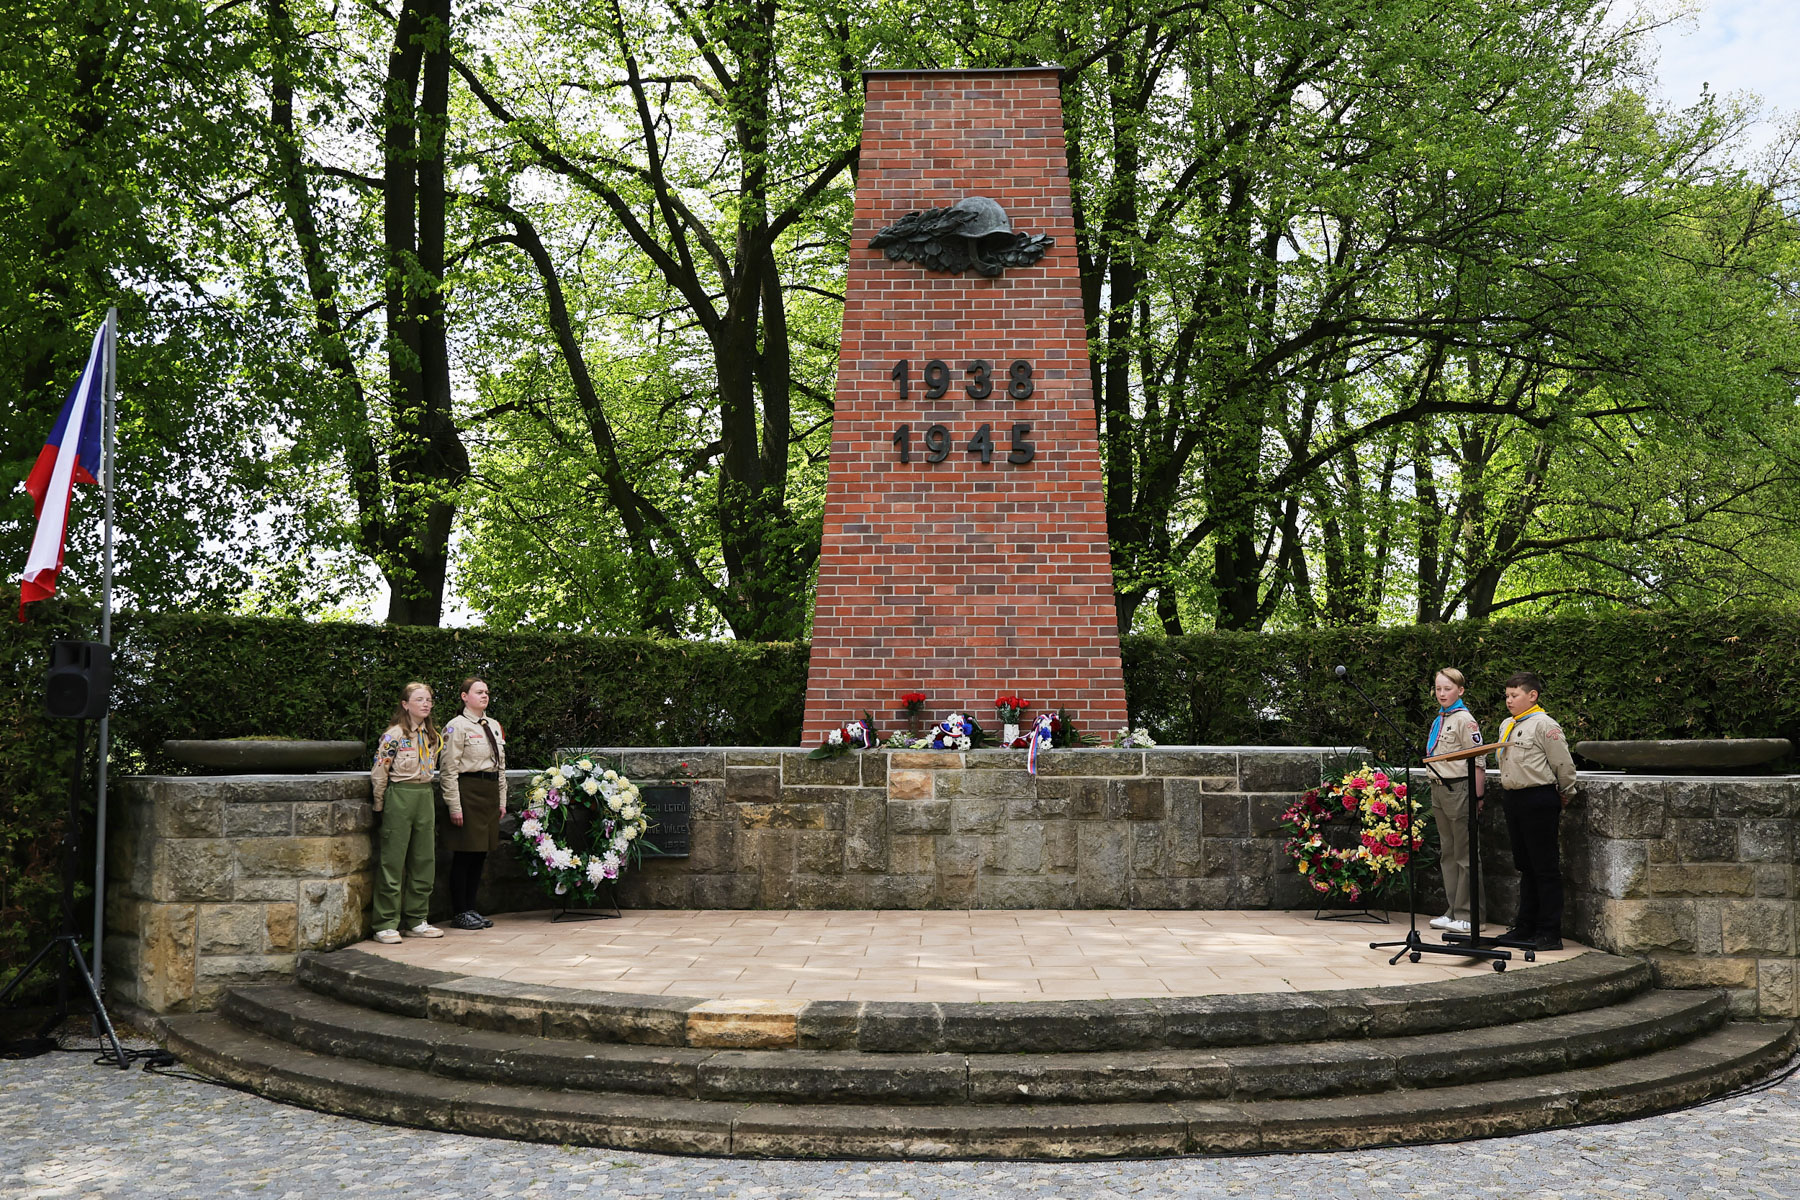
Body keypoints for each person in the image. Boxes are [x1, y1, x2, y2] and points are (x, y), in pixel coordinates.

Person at [1493, 670, 1578, 951]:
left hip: (1538, 797)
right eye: (1507, 695)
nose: (1509, 700)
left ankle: (1549, 932)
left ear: (1532, 695)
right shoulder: (1508, 724)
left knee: (1544, 867)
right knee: (1525, 865)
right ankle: (1525, 926)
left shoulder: (1544, 725)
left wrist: (1566, 792)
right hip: (1514, 798)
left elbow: (1562, 764)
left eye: (1514, 695)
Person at [369, 681, 445, 944]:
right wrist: (380, 803)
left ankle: (417, 919)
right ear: (405, 704)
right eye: (419, 699)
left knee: (424, 859)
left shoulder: (432, 735)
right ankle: (385, 923)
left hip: (424, 794)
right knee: (393, 860)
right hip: (400, 794)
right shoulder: (394, 735)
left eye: (429, 700)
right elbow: (380, 771)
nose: (426, 704)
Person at [439, 676, 507, 931]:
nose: (485, 696)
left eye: (486, 692)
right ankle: (460, 911)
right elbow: (448, 769)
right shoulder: (456, 726)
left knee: (480, 853)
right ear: (464, 697)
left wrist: (501, 800)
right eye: (479, 692)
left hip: (488, 793)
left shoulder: (493, 725)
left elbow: (501, 766)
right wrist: (454, 805)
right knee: (465, 853)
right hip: (468, 791)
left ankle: (471, 908)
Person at [1424, 668, 1484, 937]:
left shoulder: (1464, 720)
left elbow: (1478, 759)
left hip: (1458, 787)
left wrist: (1478, 796)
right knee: (1448, 853)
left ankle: (1470, 914)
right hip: (1439, 788)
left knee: (1465, 853)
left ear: (1460, 690)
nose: (1441, 693)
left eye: (1447, 689)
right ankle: (1454, 910)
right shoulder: (1441, 718)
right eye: (1438, 689)